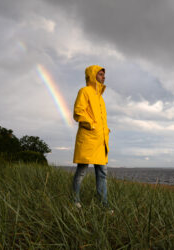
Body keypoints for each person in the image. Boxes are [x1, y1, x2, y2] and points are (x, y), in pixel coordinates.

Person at [72, 65, 111, 210]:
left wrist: (105, 130)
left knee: (102, 174)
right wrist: (92, 125)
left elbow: (102, 119)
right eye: (100, 74)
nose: (103, 77)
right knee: (81, 171)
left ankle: (104, 206)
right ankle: (75, 201)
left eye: (103, 74)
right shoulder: (84, 91)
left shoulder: (101, 98)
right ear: (92, 75)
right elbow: (78, 112)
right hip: (88, 139)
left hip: (101, 141)